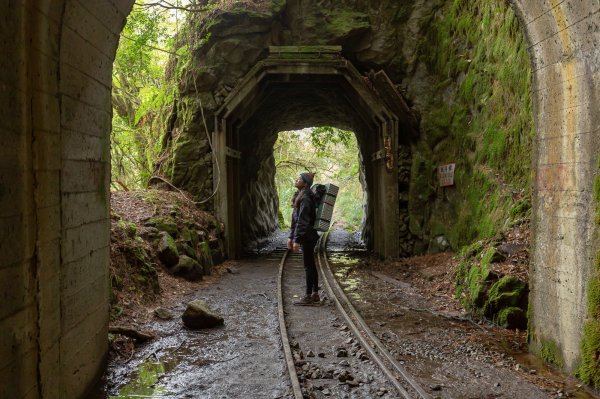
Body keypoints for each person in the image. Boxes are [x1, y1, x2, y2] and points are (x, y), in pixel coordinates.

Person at [288, 172, 320, 304]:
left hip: (307, 236)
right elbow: (295, 219)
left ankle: (309, 296)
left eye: (300, 179)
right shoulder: (301, 196)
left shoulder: (306, 198)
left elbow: (302, 220)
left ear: (305, 183)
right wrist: (291, 237)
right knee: (310, 265)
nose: (297, 180)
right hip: (308, 235)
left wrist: (297, 239)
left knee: (308, 266)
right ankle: (314, 294)